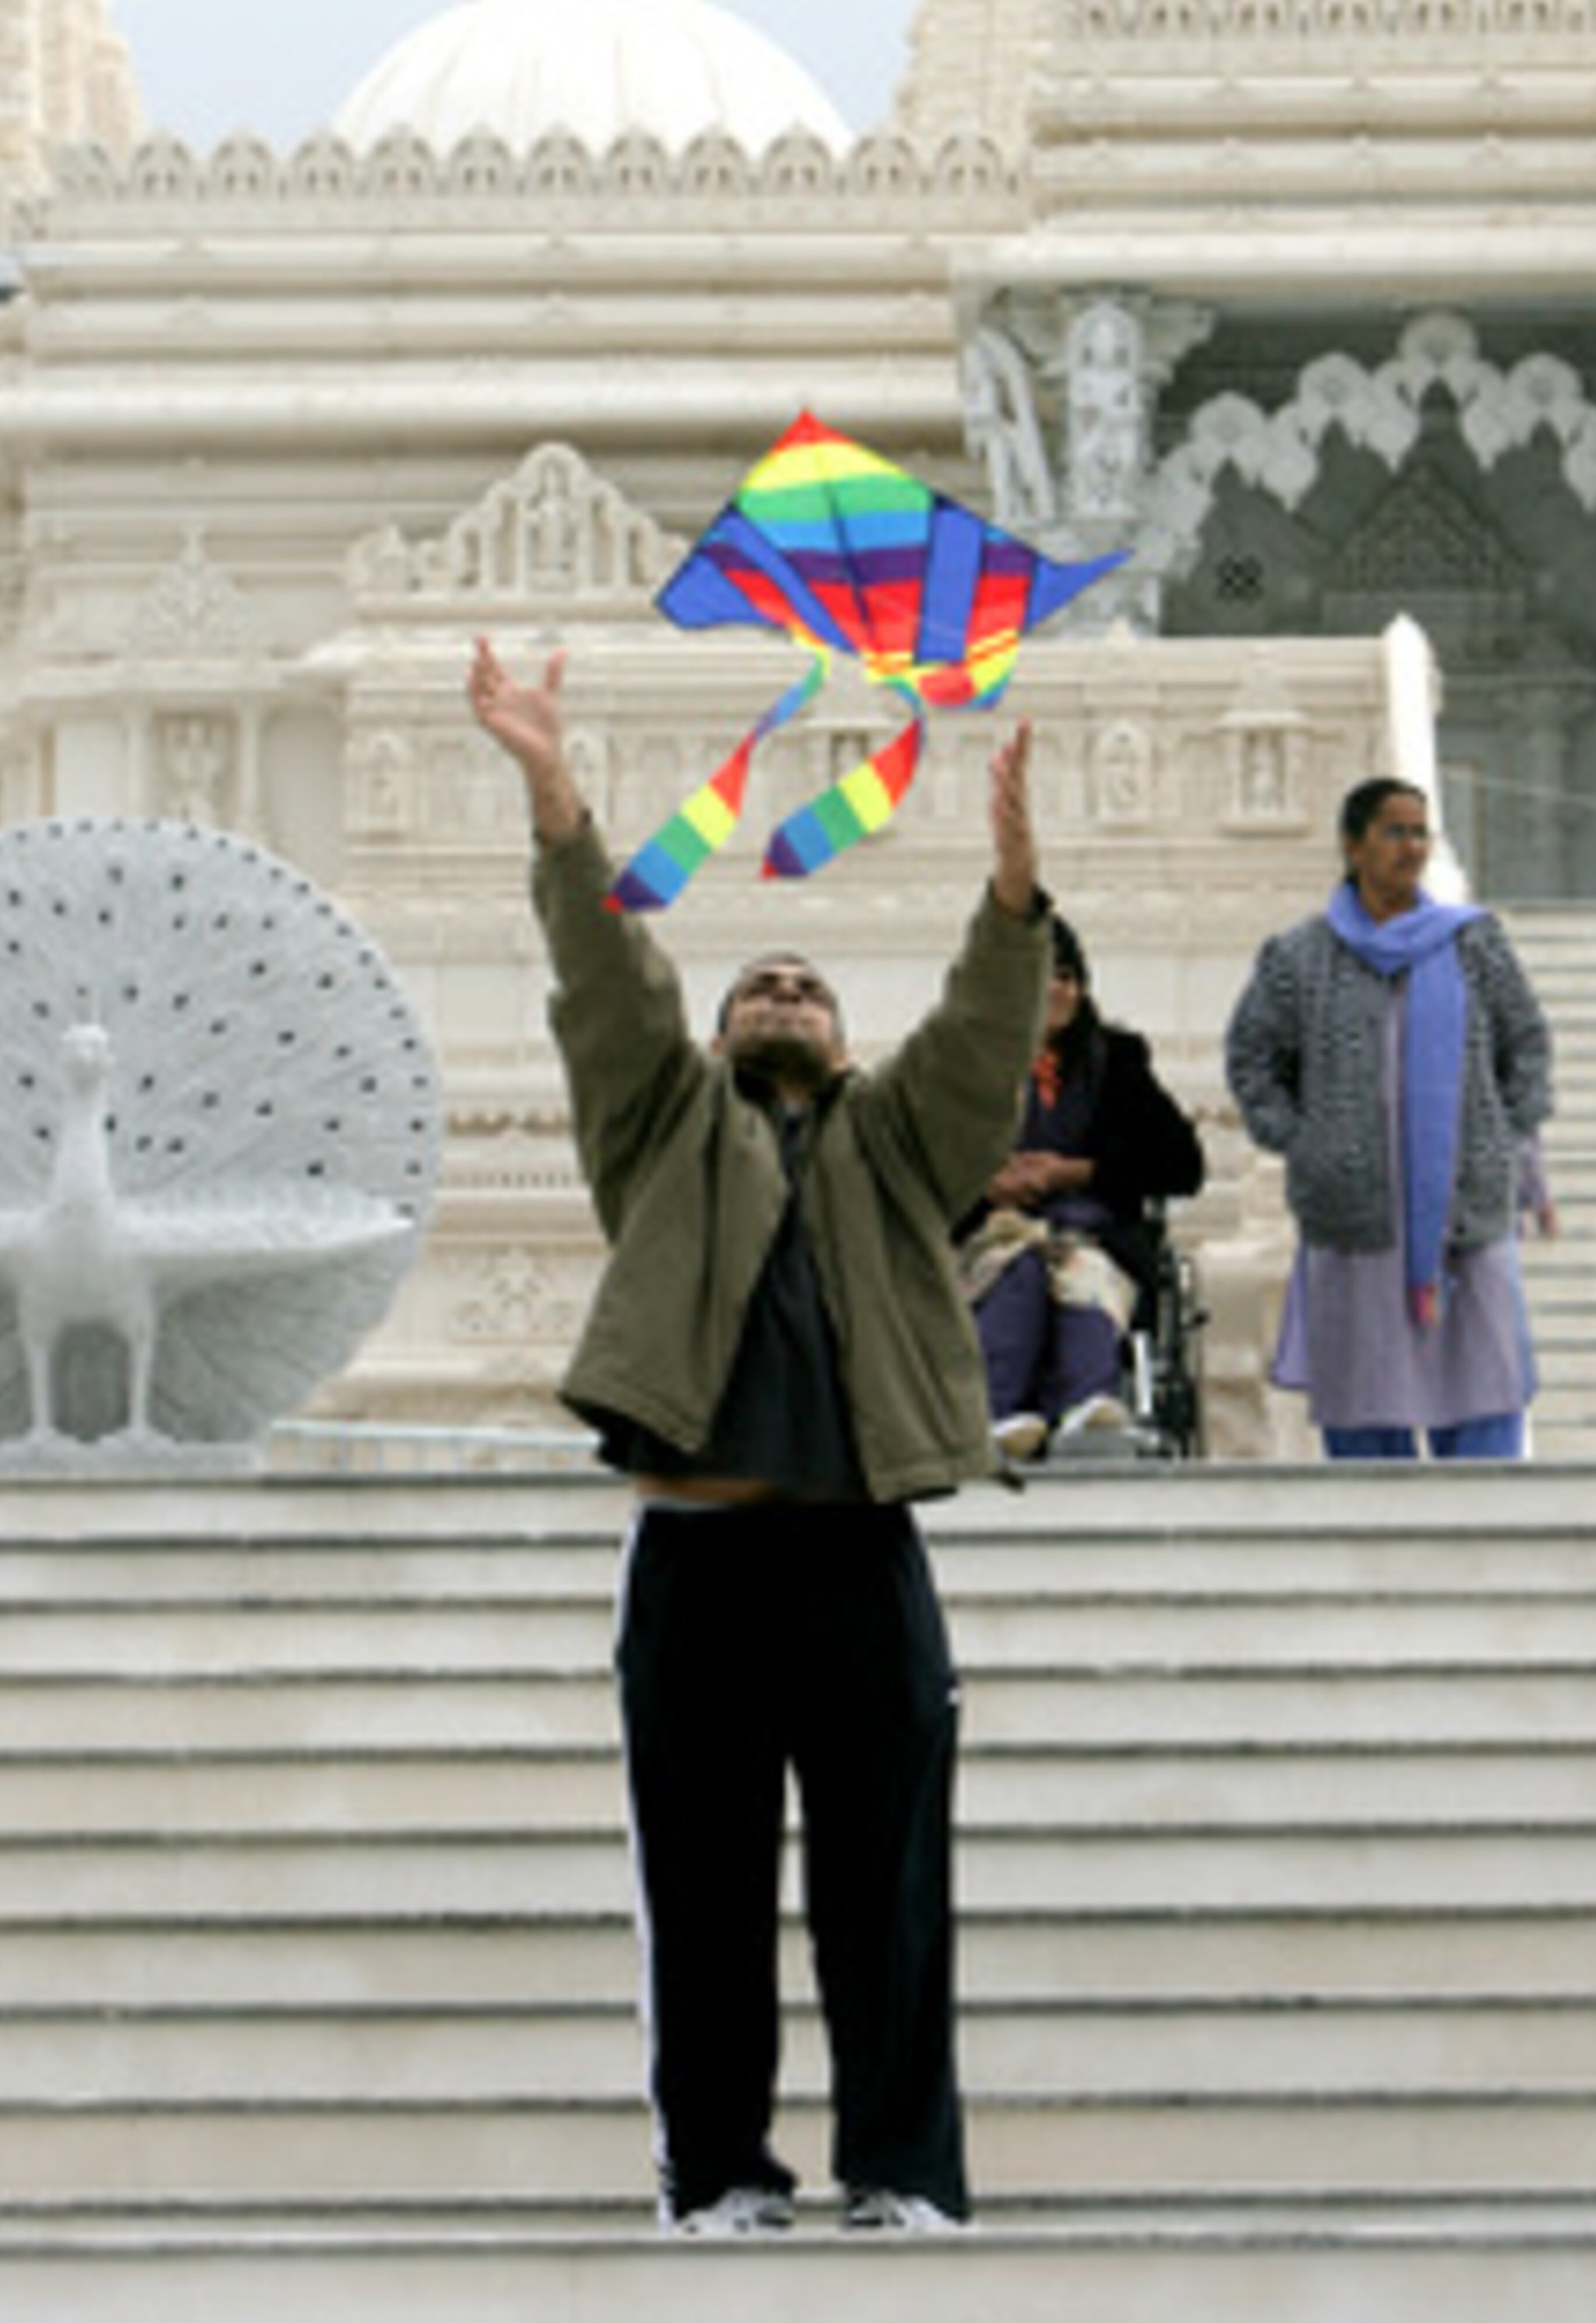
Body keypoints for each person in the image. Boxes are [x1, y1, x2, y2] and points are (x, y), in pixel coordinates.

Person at [464, 633, 1050, 2237]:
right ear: (721, 1038)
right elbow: (610, 982)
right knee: (705, 1894)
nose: (783, 995)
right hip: (700, 1551)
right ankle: (718, 2171)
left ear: (843, 1043)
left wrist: (1011, 894)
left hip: (865, 1546)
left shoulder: (898, 1142)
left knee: (891, 1890)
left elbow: (985, 1046)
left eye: (808, 987)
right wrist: (555, 790)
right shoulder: (661, 1122)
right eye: (757, 988)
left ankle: (905, 2171)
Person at [1224, 774, 1554, 1460]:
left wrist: (1503, 1134)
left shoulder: (1473, 944)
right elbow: (1252, 1057)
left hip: (1462, 1217)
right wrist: (1303, 1140)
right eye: (1394, 832)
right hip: (1357, 1219)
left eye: (1420, 832)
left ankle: (1481, 1552)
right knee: (1365, 1406)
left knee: (1483, 1387)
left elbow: (1527, 1044)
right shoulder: (1302, 956)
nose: (1412, 847)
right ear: (1353, 847)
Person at [955, 912, 1204, 1461]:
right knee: (1015, 1271)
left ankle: (1087, 1415)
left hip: (1094, 1234)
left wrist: (1077, 1172)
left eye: (1066, 976)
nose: (1055, 989)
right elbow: (918, 1171)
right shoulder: (959, 1067)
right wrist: (987, 1184)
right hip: (990, 1237)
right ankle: (999, 1418)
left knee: (1083, 1274)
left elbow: (1182, 1164)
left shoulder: (1117, 1061)